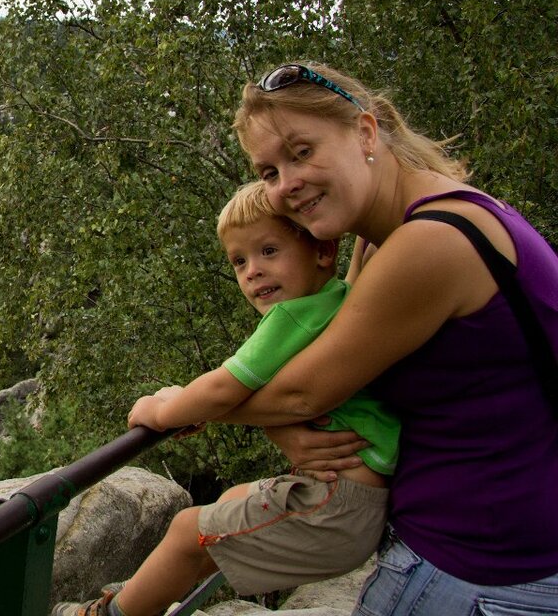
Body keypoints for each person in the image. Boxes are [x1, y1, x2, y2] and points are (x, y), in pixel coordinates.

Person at [224, 63, 558, 615]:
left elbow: (306, 392)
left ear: (365, 132)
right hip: (492, 547)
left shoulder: (429, 243)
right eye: (268, 171)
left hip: (480, 570)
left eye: (302, 152)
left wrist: (188, 410)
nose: (286, 185)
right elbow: (334, 368)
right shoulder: (390, 235)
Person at [54, 181, 399, 616]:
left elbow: (224, 387)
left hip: (337, 506)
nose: (252, 270)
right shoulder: (337, 301)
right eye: (239, 261)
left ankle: (109, 615)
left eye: (269, 251)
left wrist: (162, 410)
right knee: (232, 497)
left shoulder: (293, 315)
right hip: (354, 500)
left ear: (323, 252)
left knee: (185, 532)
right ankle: (150, 591)